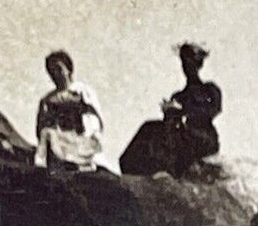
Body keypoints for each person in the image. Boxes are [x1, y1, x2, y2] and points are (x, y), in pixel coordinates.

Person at [120, 42, 222, 178]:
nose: (187, 66)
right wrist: (170, 111)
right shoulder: (179, 95)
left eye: (190, 61)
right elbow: (170, 121)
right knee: (150, 127)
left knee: (174, 134)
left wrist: (184, 109)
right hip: (183, 134)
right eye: (184, 61)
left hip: (203, 137)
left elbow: (213, 109)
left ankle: (171, 170)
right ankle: (132, 167)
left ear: (199, 64)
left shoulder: (210, 89)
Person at [35, 50, 103, 173]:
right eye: (51, 71)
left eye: (58, 68)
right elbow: (41, 128)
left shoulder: (82, 92)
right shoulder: (47, 100)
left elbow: (93, 119)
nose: (55, 74)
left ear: (68, 69)